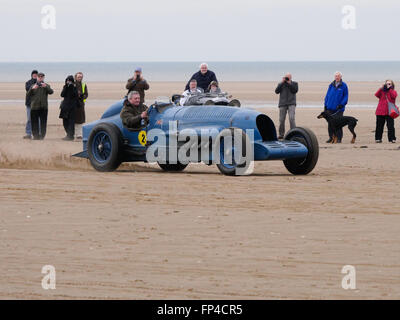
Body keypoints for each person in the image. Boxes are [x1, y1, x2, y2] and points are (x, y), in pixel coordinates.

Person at [26, 72, 54, 140]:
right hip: (34, 107)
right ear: (37, 77)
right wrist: (32, 89)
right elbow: (28, 95)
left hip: (44, 107)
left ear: (43, 78)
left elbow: (51, 92)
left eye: (42, 77)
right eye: (39, 77)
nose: (40, 78)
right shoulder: (33, 85)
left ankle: (42, 136)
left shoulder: (46, 85)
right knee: (34, 122)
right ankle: (36, 136)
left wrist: (46, 87)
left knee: (43, 123)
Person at [323, 71, 349, 143]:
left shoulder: (344, 85)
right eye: (336, 76)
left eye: (338, 76)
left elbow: (346, 96)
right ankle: (331, 138)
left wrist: (342, 104)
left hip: (339, 109)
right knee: (330, 124)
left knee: (338, 124)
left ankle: (339, 138)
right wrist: (325, 105)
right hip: (329, 108)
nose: (337, 77)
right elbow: (327, 95)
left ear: (341, 77)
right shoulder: (331, 85)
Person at [275, 73, 298, 139]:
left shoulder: (295, 84)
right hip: (282, 103)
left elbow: (294, 90)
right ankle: (281, 134)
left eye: (288, 77)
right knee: (281, 120)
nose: (286, 79)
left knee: (291, 118)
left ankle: (294, 133)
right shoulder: (281, 84)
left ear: (291, 78)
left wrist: (289, 83)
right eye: (286, 77)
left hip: (292, 103)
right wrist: (282, 82)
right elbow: (276, 91)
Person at [59, 75, 80, 141]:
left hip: (72, 107)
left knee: (71, 122)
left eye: (70, 81)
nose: (69, 82)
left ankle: (71, 136)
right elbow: (62, 94)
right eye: (68, 81)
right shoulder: (65, 87)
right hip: (65, 107)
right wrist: (66, 86)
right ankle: (68, 134)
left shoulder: (74, 87)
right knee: (65, 122)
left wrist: (71, 87)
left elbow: (75, 95)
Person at [23, 70, 38, 139]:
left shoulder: (40, 83)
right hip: (29, 104)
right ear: (32, 75)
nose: (35, 75)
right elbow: (27, 88)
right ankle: (28, 133)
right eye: (33, 74)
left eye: (36, 74)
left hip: (38, 104)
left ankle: (37, 134)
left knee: (38, 119)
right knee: (29, 119)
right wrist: (33, 86)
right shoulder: (28, 82)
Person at [74, 72, 88, 140]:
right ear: (75, 77)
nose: (80, 78)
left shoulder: (83, 85)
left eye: (81, 77)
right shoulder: (73, 84)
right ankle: (74, 134)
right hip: (73, 105)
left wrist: (82, 96)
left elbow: (86, 94)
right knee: (73, 120)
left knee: (80, 120)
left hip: (81, 105)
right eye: (78, 77)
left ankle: (79, 134)